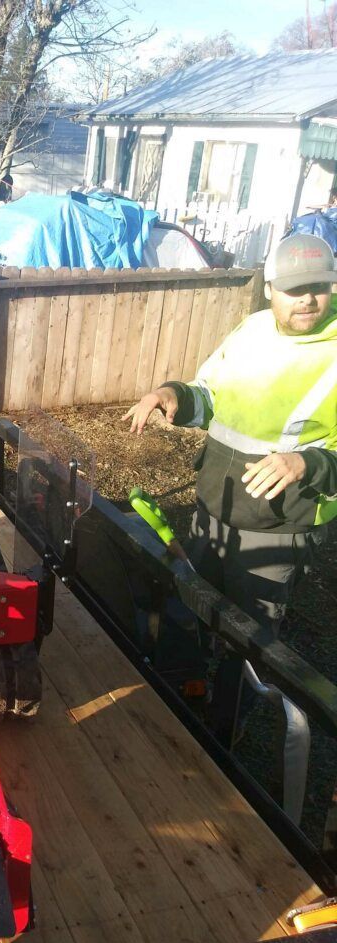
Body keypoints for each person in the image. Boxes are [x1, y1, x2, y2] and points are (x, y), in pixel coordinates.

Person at [123, 234, 337, 739]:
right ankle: (180, 696)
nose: (307, 299)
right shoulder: (252, 330)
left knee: (251, 639)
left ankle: (224, 732)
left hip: (277, 527)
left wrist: (306, 463)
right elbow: (212, 397)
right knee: (191, 603)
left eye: (318, 286)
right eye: (293, 289)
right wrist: (171, 394)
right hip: (214, 508)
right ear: (270, 289)